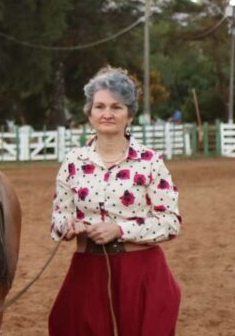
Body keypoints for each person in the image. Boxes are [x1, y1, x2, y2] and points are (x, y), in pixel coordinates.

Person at [49, 67, 181, 335]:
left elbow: (170, 222)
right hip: (87, 273)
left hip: (141, 275)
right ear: (89, 113)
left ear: (129, 114)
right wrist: (69, 226)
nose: (106, 114)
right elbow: (58, 218)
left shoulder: (150, 161)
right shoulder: (73, 162)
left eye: (116, 107)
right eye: (99, 106)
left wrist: (120, 229)